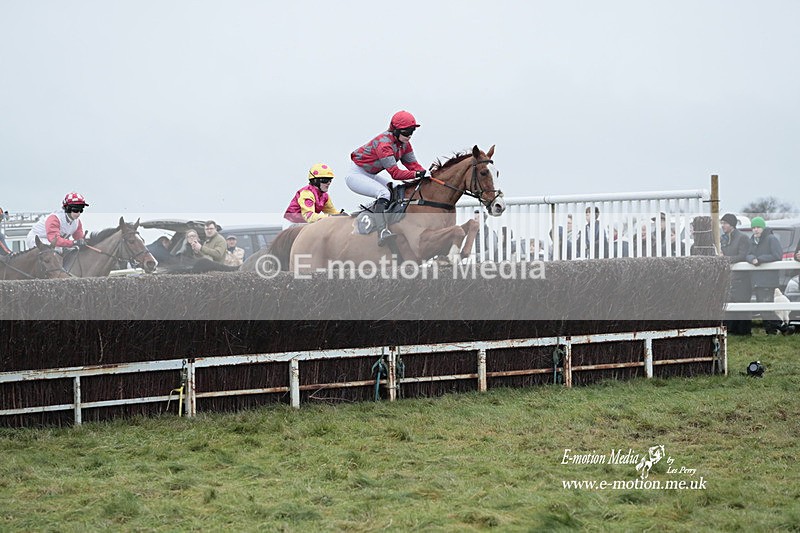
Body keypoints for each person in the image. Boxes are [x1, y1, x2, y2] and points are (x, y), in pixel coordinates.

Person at [346, 110, 431, 246]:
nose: (409, 136)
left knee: (396, 190)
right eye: (406, 132)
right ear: (395, 130)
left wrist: (425, 173)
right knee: (384, 193)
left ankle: (389, 220)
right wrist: (416, 175)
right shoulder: (384, 145)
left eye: (411, 132)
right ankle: (382, 231)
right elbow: (395, 174)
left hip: (370, 174)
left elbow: (412, 164)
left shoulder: (405, 144)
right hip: (356, 175)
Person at [745, 216, 783, 334]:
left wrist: (760, 260)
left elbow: (777, 255)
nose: (756, 230)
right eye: (754, 227)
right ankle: (774, 330)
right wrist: (752, 259)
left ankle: (781, 327)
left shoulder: (771, 239)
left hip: (768, 279)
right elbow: (748, 254)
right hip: (757, 280)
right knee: (763, 307)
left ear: (763, 228)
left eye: (758, 227)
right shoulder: (752, 240)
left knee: (766, 307)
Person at [720, 213, 751, 335]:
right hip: (729, 277)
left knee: (742, 303)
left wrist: (726, 259)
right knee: (730, 304)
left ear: (732, 224)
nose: (723, 226)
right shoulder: (723, 238)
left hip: (741, 278)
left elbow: (743, 255)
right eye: (722, 223)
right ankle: (731, 330)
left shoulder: (742, 238)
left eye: (725, 223)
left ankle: (744, 332)